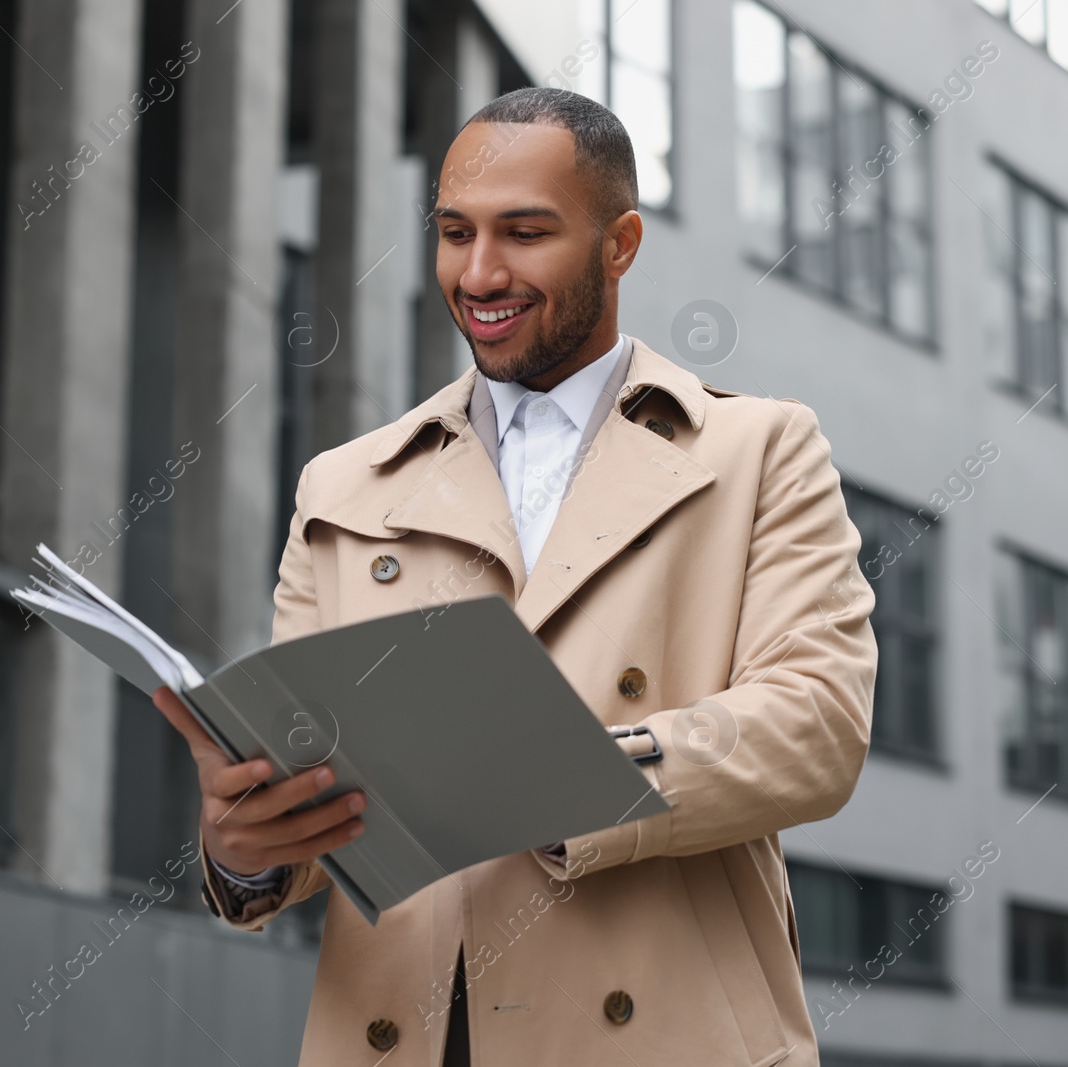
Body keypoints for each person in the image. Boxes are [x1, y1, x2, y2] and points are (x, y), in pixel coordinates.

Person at [152, 86, 877, 1067]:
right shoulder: (343, 484)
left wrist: (559, 778)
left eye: (524, 232)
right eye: (455, 233)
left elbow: (817, 725)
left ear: (618, 244)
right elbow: (329, 802)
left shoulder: (758, 450)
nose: (479, 272)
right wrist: (245, 849)